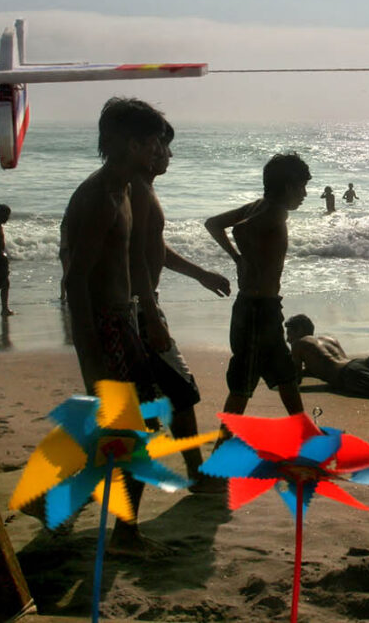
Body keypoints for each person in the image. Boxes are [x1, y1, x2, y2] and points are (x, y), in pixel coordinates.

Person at [62, 97, 166, 556]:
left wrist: (143, 317)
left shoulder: (125, 190)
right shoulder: (101, 196)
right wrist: (93, 351)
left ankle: (59, 498)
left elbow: (131, 263)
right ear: (130, 143)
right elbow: (76, 278)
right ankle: (125, 534)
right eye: (151, 143)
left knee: (130, 428)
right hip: (104, 328)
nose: (156, 152)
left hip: (121, 322)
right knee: (135, 430)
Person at [130, 121, 231, 489]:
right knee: (178, 390)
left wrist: (200, 274)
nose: (168, 154)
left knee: (160, 398)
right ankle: (196, 472)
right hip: (138, 309)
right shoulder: (138, 192)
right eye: (163, 146)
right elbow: (137, 257)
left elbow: (155, 250)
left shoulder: (142, 191)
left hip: (140, 306)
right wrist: (151, 313)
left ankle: (195, 471)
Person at [204, 153, 310, 423]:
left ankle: (303, 432)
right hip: (256, 311)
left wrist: (239, 259)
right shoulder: (275, 212)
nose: (305, 194)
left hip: (263, 307)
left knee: (285, 374)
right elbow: (240, 231)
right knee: (243, 383)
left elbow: (213, 224)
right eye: (302, 187)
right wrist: (245, 259)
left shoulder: (258, 205)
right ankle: (222, 445)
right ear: (288, 187)